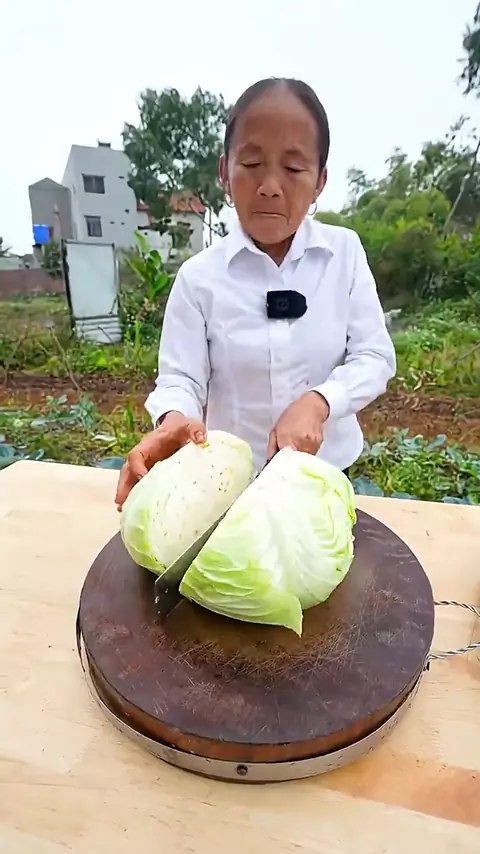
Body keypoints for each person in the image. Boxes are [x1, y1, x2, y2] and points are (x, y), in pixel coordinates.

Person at [115, 77, 396, 509]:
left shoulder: (343, 255)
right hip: (229, 486)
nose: (270, 185)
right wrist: (174, 420)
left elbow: (374, 357)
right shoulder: (198, 278)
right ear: (224, 172)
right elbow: (181, 379)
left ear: (320, 181)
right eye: (251, 163)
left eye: (294, 168)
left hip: (324, 478)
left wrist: (320, 402)